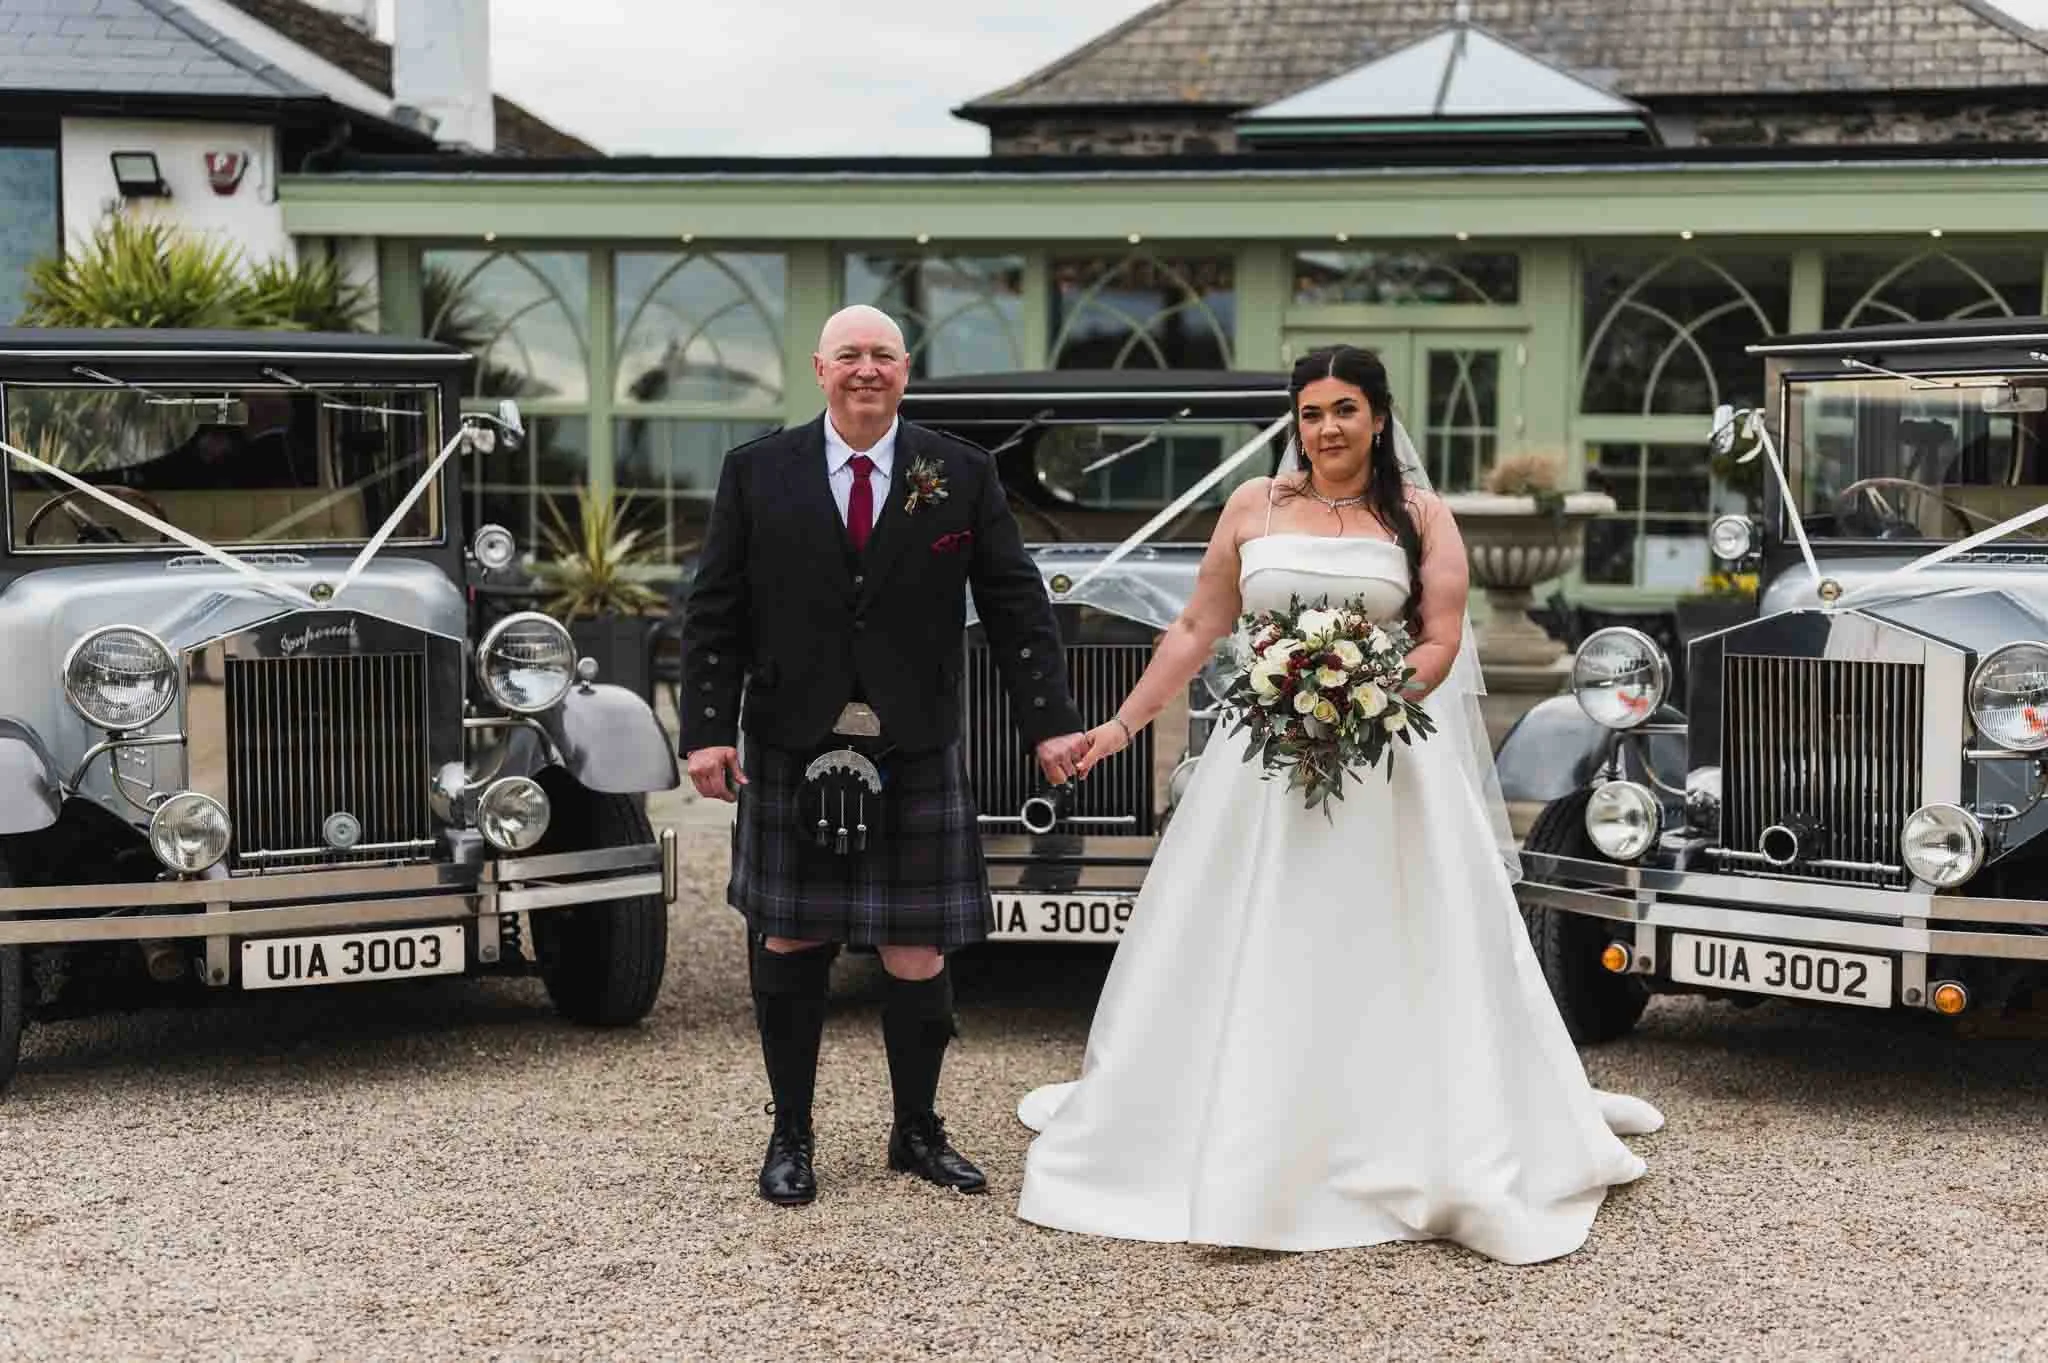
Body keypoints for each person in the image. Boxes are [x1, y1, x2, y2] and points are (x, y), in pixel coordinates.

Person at [1011, 345, 1663, 1265]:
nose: (1328, 428)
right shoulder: (1252, 507)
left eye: (1345, 409)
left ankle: (1392, 1121)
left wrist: (1374, 692)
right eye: (1312, 412)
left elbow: (1440, 637)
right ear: (1296, 422)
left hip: (1385, 760)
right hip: (1260, 766)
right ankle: (1238, 1112)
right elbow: (1200, 626)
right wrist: (1119, 728)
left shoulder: (1422, 516)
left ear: (1378, 415)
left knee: (1391, 930)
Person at [679, 304, 1091, 1208]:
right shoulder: (758, 472)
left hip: (913, 736)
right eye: (850, 356)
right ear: (819, 369)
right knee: (791, 934)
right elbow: (715, 613)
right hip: (793, 729)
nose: (868, 370)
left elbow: (1018, 606)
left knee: (917, 945)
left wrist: (1051, 721)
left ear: (905, 371)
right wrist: (707, 727)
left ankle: (916, 1128)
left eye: (885, 356)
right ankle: (791, 1132)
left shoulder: (961, 471)